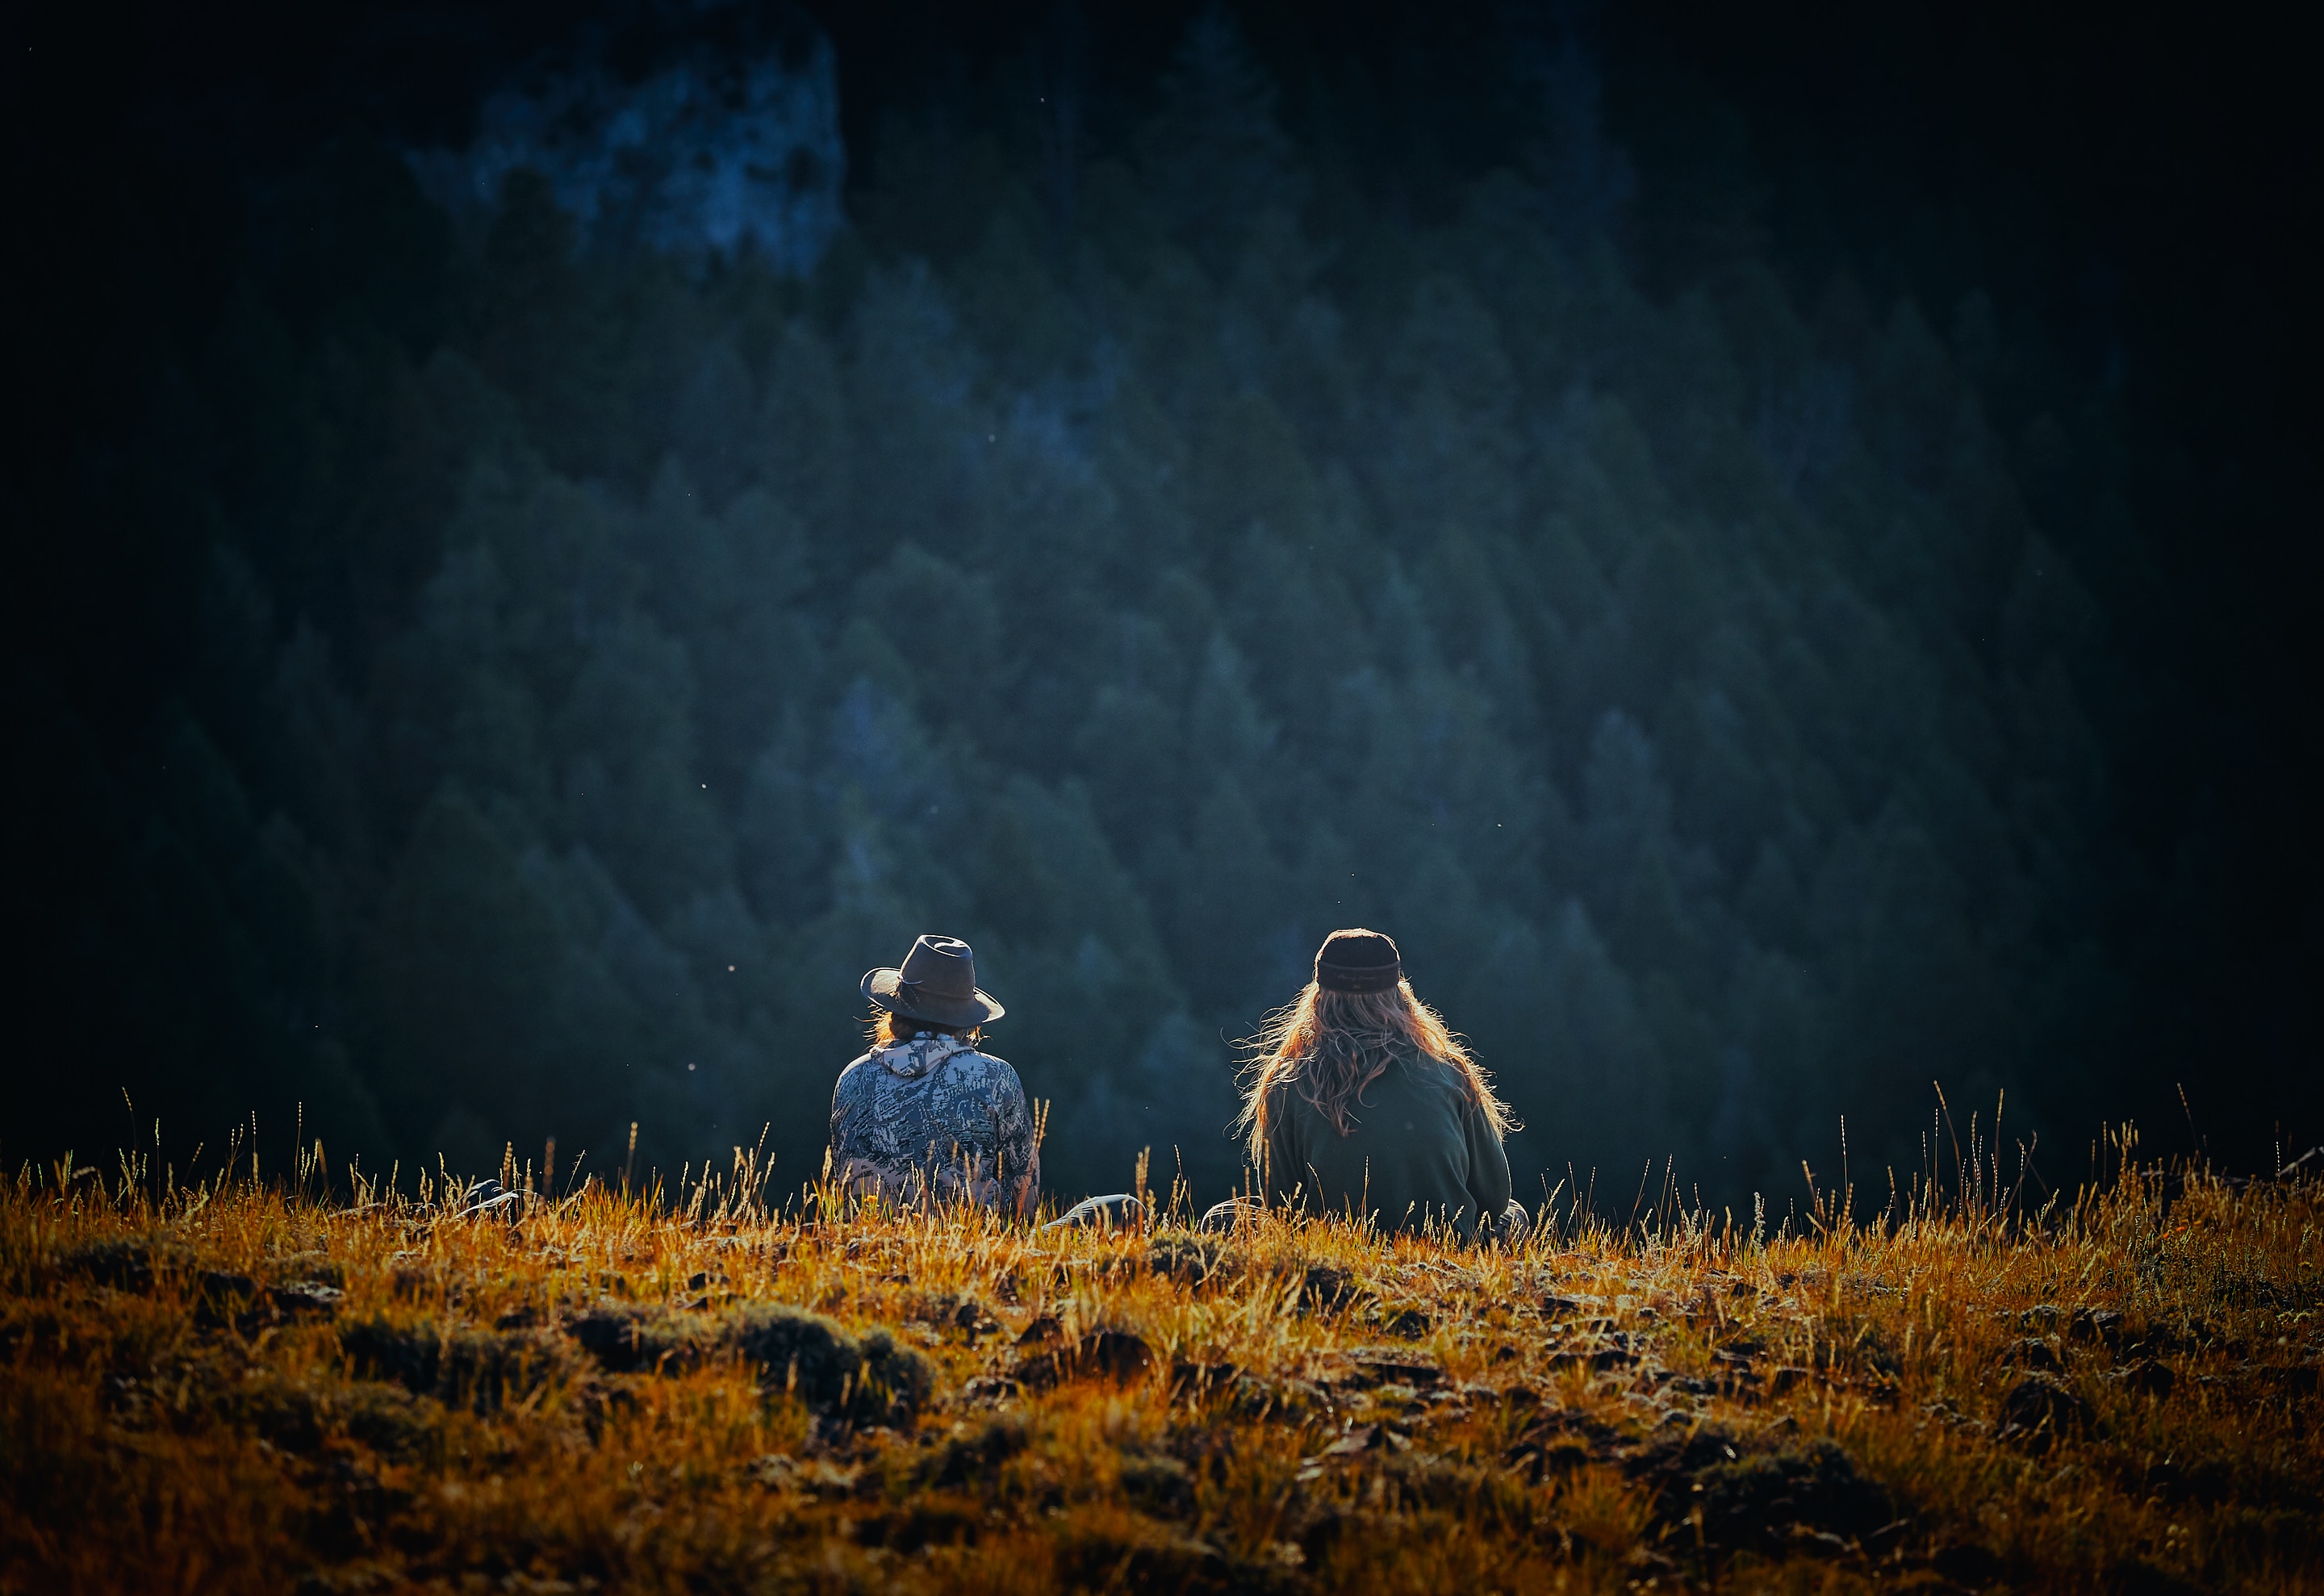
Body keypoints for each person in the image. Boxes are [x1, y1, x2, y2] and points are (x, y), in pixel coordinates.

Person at [1219, 928, 1527, 1243]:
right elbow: (1495, 1198)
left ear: (1318, 997)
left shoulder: (1288, 1082)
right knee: (1514, 1213)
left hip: (1335, 1253)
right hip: (1449, 1251)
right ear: (1399, 996)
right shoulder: (1450, 1073)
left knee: (1221, 1217)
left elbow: (1281, 1205)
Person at [830, 935, 1039, 1218]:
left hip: (868, 1241)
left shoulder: (853, 1077)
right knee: (1098, 1207)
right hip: (969, 1241)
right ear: (965, 1019)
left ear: (896, 1010)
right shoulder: (995, 1077)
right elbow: (1026, 1197)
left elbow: (843, 1181)